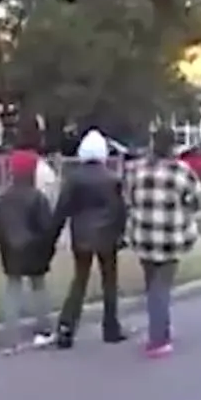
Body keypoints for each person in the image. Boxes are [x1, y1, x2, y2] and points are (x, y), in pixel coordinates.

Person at [124, 127, 201, 358]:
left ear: (152, 144)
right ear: (173, 146)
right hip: (170, 238)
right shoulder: (182, 171)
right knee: (161, 288)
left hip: (143, 236)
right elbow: (196, 201)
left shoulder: (136, 170)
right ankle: (158, 339)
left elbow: (128, 198)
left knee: (153, 285)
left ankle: (162, 328)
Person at [47, 129, 128, 348]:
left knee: (79, 281)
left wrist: (51, 237)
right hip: (107, 237)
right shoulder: (112, 179)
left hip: (81, 236)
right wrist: (121, 234)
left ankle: (66, 328)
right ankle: (111, 328)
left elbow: (61, 210)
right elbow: (121, 210)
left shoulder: (73, 179)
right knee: (109, 282)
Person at [0, 136, 56, 354]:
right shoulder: (38, 198)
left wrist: (3, 245)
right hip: (35, 250)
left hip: (11, 250)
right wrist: (47, 250)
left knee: (12, 290)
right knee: (39, 288)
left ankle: (10, 338)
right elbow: (47, 227)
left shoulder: (3, 198)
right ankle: (44, 330)